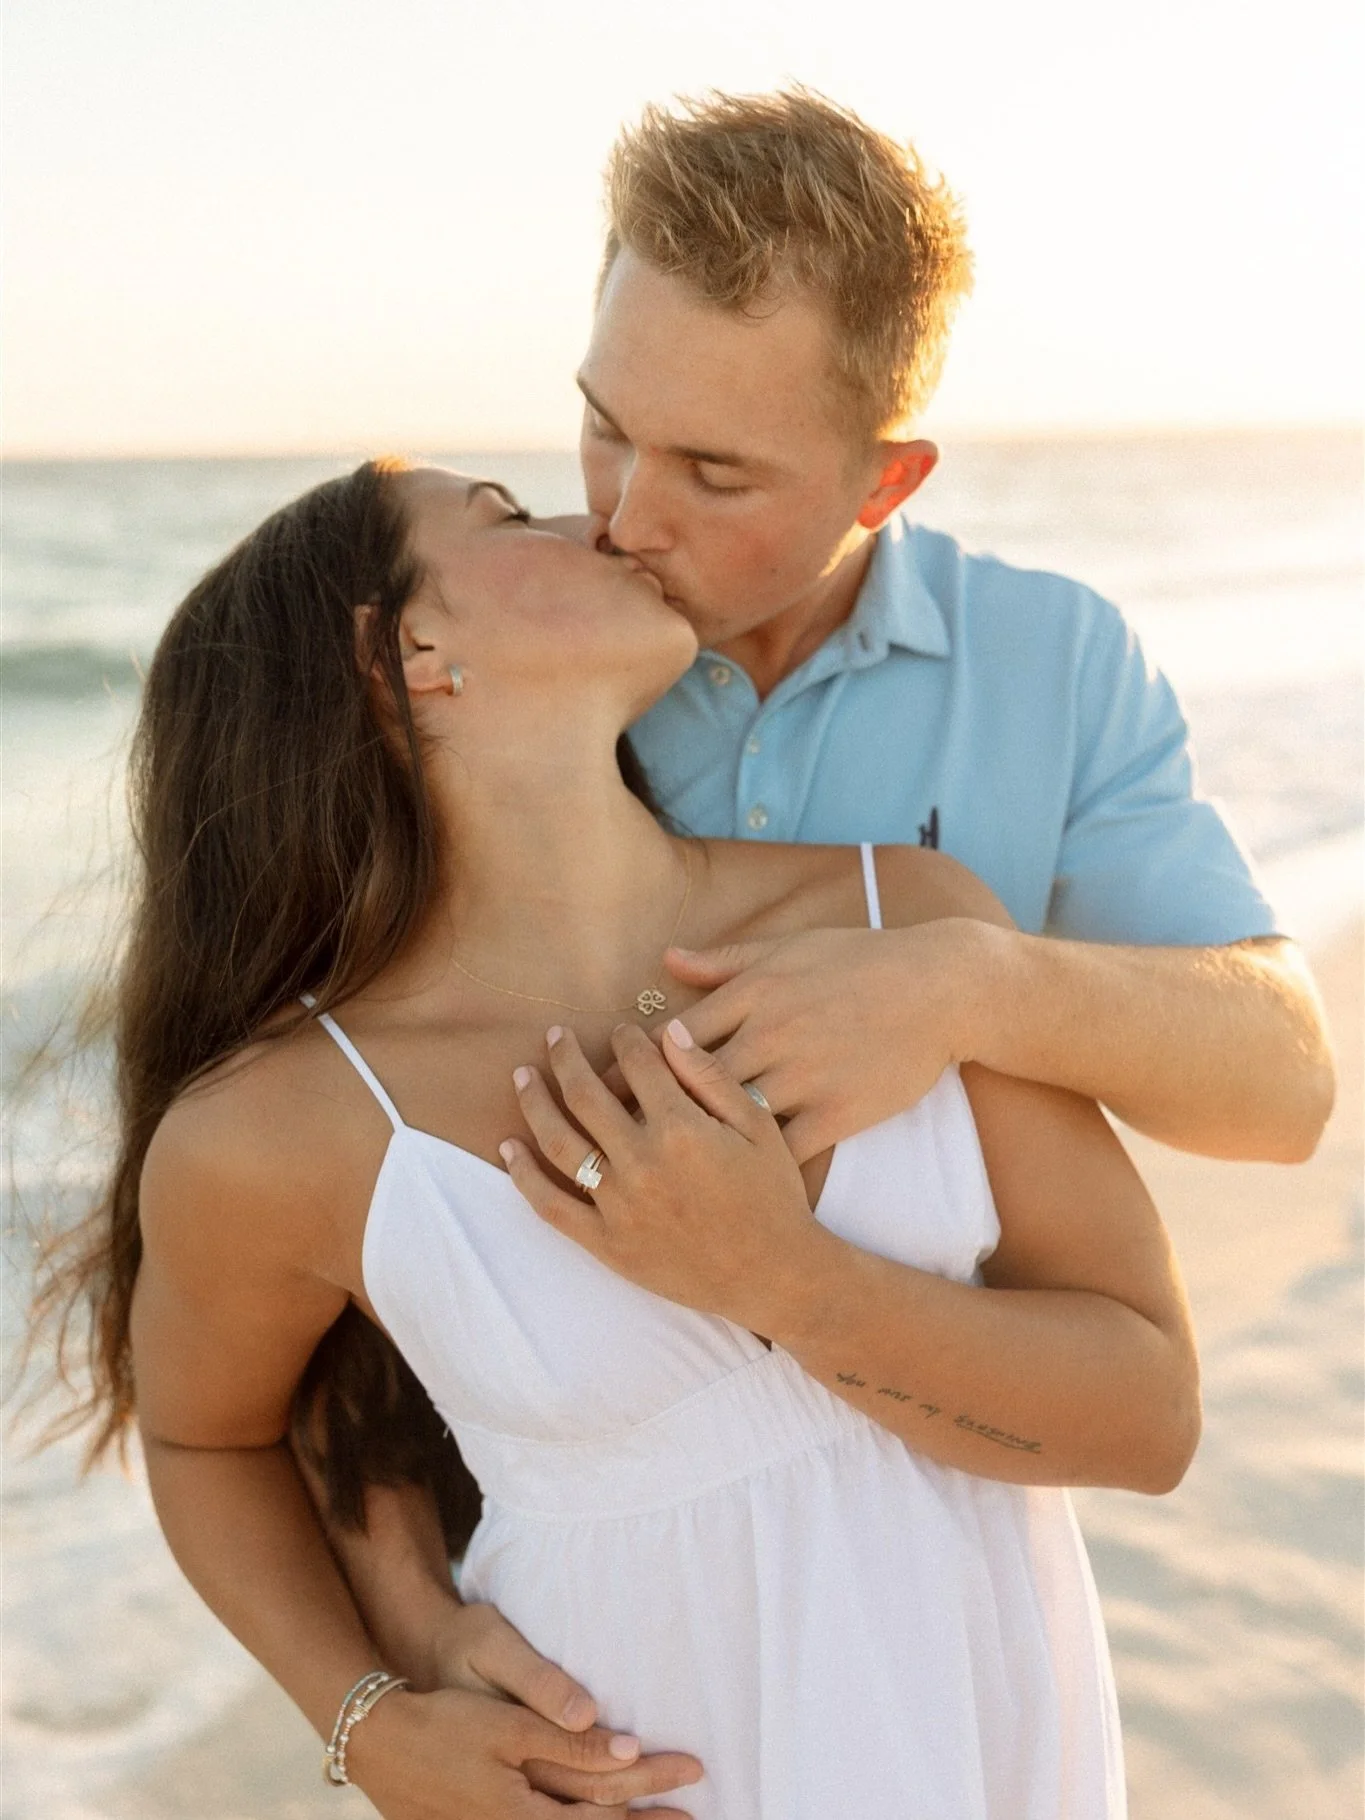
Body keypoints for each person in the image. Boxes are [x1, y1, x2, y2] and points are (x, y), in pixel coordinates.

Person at [306, 87, 1334, 1813]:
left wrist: (976, 981)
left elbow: (1283, 1089)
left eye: (715, 472)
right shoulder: (523, 660)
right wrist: (390, 1651)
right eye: (602, 426)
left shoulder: (1050, 664)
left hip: (939, 1578)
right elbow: (314, 1221)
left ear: (888, 477)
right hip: (557, 1630)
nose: (627, 515)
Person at [61, 457, 1198, 1820]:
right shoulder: (279, 1129)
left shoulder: (907, 921)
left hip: (992, 1759)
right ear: (411, 651)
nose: (587, 519)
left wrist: (783, 1280)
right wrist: (367, 1726)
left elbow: (1154, 1418)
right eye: (498, 512)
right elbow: (206, 1447)